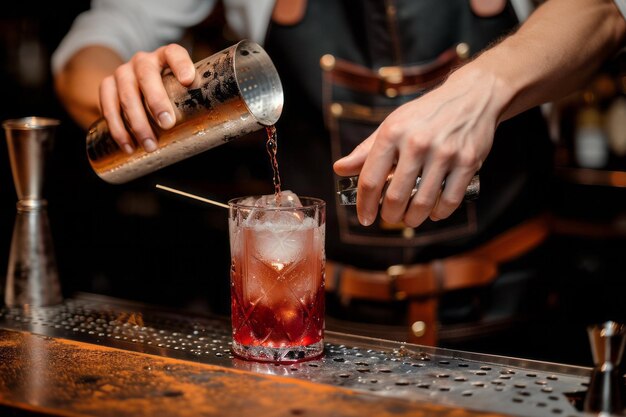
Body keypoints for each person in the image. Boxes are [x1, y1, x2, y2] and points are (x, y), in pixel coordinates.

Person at [52, 0, 626, 361]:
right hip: (322, 335)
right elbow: (92, 44)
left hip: (511, 323)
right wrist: (128, 91)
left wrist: (482, 89)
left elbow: (603, 13)